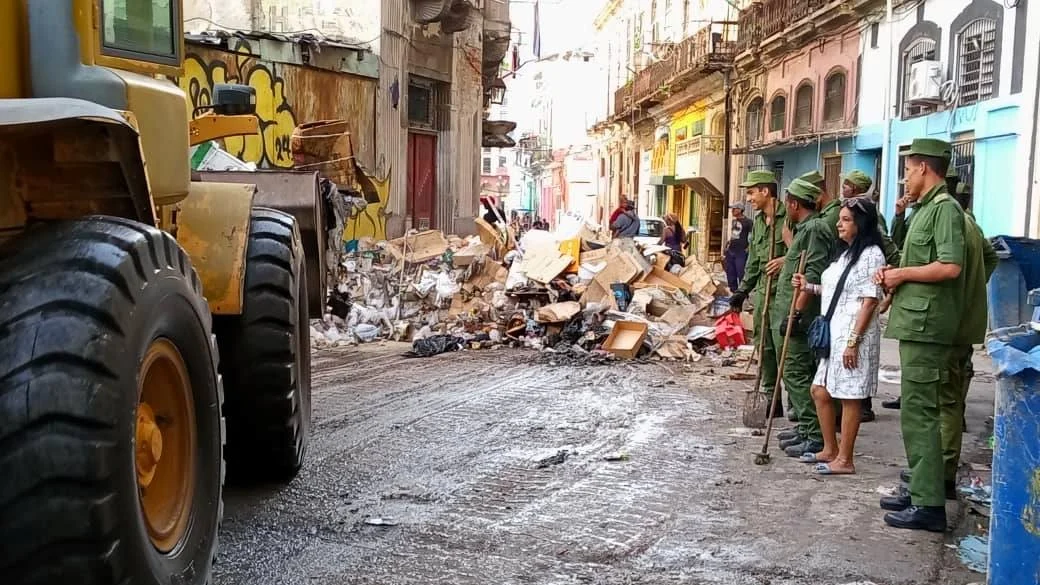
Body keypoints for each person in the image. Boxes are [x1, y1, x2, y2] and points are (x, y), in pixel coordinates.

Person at [875, 138, 965, 532]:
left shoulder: (944, 210)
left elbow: (950, 266)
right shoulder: (924, 210)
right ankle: (920, 489)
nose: (906, 179)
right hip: (917, 323)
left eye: (909, 170)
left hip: (929, 327)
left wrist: (902, 274)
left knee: (921, 414)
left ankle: (929, 505)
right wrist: (894, 278)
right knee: (916, 414)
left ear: (924, 168)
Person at [791, 197, 885, 474]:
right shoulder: (846, 254)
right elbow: (837, 291)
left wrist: (854, 342)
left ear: (861, 224)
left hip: (854, 335)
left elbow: (869, 300)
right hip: (835, 332)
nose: (839, 224)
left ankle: (845, 459)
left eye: (846, 220)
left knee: (849, 396)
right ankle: (830, 448)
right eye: (840, 219)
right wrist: (809, 287)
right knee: (819, 390)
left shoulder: (871, 255)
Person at [772, 178, 834, 457]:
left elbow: (812, 274)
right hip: (792, 309)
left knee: (795, 372)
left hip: (801, 314)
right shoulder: (805, 229)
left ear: (794, 204)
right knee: (795, 371)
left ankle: (815, 432)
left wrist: (796, 312)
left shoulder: (815, 229)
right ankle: (807, 428)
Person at [729, 170, 788, 419]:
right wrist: (742, 291)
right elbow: (754, 262)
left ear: (765, 191)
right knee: (764, 350)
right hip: (764, 295)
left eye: (752, 192)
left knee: (787, 354)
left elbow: (806, 253)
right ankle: (773, 401)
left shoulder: (789, 219)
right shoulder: (760, 223)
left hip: (784, 297)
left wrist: (786, 260)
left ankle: (803, 412)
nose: (749, 198)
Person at [724, 203, 753, 293]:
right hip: (731, 250)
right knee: (730, 273)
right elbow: (735, 235)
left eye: (734, 209)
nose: (732, 211)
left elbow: (752, 237)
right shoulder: (735, 221)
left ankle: (742, 293)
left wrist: (748, 248)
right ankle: (733, 292)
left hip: (741, 252)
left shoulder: (748, 222)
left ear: (740, 210)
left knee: (741, 273)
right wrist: (728, 244)